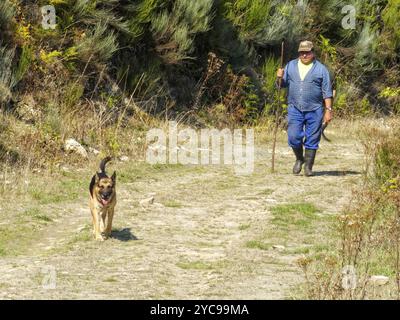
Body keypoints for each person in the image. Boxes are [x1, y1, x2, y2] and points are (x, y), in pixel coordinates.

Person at [277, 40, 333, 176]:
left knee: (312, 139)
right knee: (293, 136)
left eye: (307, 52)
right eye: (302, 52)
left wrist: (328, 110)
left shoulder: (321, 69)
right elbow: (280, 86)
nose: (304, 55)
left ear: (313, 53)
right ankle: (299, 159)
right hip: (294, 108)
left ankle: (308, 167)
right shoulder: (290, 66)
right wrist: (279, 77)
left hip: (315, 109)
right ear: (299, 53)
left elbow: (327, 92)